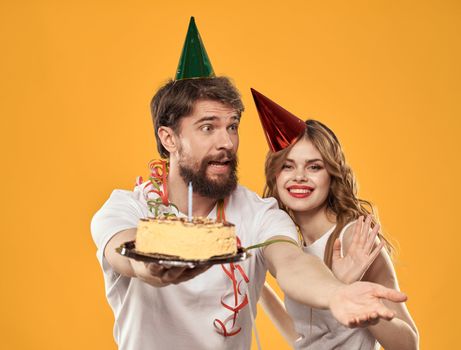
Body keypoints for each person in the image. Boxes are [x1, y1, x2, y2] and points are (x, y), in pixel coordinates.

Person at [90, 18, 407, 350]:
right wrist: (149, 267)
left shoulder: (258, 213)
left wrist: (336, 292)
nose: (227, 141)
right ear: (168, 138)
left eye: (232, 126)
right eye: (208, 127)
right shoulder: (127, 207)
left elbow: (292, 263)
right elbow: (121, 250)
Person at [252, 88, 419, 349]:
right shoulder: (286, 246)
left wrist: (359, 301)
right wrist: (257, 286)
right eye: (288, 165)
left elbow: (408, 344)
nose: (299, 176)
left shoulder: (353, 237)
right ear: (275, 176)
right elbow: (303, 338)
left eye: (314, 166)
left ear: (331, 175)